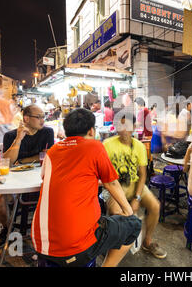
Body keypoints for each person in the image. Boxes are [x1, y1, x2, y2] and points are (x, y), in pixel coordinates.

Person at [31, 108, 141, 267]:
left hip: (40, 243)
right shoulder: (94, 146)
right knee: (133, 225)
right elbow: (112, 183)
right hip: (75, 247)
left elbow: (63, 179)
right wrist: (129, 212)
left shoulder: (53, 151)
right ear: (91, 130)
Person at [102, 112, 167, 259]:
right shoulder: (107, 145)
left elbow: (143, 174)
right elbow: (104, 176)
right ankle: (114, 249)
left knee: (155, 206)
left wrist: (137, 198)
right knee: (118, 213)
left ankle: (147, 242)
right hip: (114, 188)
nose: (123, 129)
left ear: (134, 127)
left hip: (135, 185)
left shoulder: (139, 146)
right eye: (120, 125)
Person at [0, 105, 54, 249]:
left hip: (38, 178)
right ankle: (7, 228)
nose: (42, 120)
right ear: (26, 118)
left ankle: (45, 231)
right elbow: (9, 161)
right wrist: (19, 139)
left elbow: (49, 155)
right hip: (16, 180)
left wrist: (24, 160)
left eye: (43, 117)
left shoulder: (47, 132)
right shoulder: (11, 136)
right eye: (38, 117)